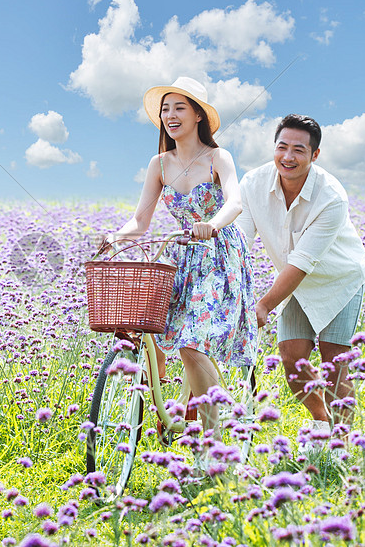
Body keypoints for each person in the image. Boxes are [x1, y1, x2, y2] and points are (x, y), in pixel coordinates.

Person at [104, 76, 257, 451]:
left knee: (191, 343)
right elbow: (140, 220)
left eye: (180, 108)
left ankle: (216, 445)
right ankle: (169, 414)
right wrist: (116, 237)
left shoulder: (218, 158)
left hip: (218, 255)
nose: (170, 116)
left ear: (198, 116)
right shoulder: (160, 163)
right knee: (147, 327)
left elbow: (235, 201)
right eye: (165, 109)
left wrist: (213, 224)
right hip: (180, 257)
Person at [236, 114, 365, 433]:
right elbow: (240, 240)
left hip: (339, 280)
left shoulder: (331, 196)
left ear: (314, 155)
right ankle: (323, 421)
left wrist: (264, 305)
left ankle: (344, 442)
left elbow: (303, 262)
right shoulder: (253, 184)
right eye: (282, 147)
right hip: (294, 283)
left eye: (298, 149)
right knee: (292, 360)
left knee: (335, 360)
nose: (288, 157)